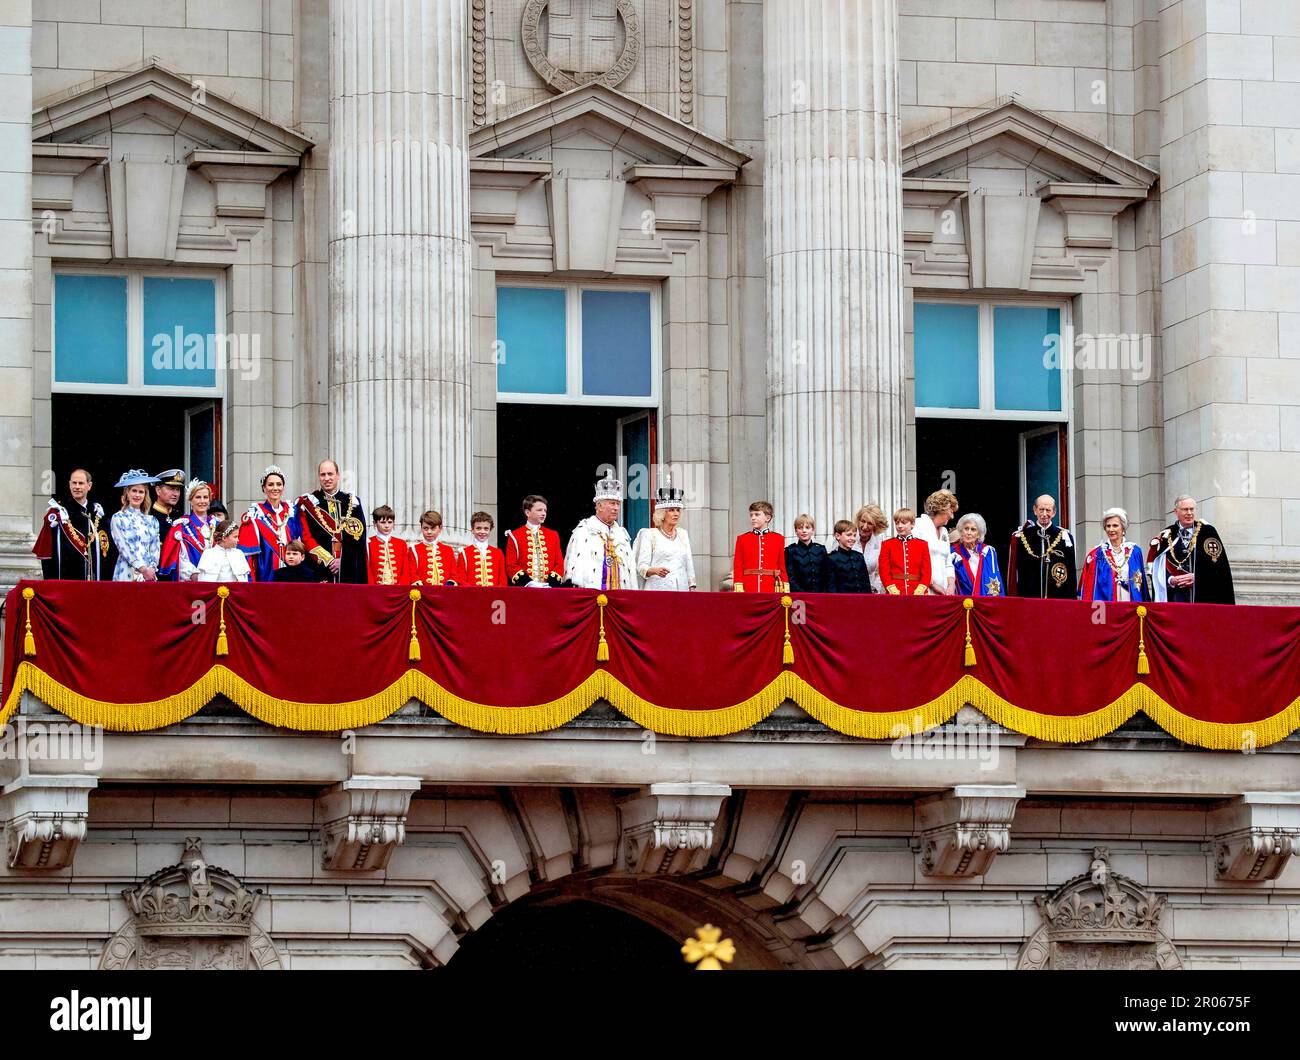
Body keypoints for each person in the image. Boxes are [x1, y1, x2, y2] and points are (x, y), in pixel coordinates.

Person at [1147, 496, 1235, 604]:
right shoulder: (1166, 534)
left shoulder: (1207, 532)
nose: (1189, 513)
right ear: (1176, 512)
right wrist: (1170, 580)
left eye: (1192, 509)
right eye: (1185, 509)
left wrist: (1197, 577)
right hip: (1175, 597)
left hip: (1202, 596)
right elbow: (1157, 567)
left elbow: (1219, 567)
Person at [297, 459, 367, 583]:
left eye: (330, 474)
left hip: (348, 569)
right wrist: (328, 560)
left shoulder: (353, 502)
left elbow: (359, 538)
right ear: (319, 477)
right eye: (323, 474)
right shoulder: (308, 503)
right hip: (319, 568)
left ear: (338, 475)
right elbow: (305, 537)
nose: (327, 478)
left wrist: (343, 561)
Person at [33, 468, 110, 580]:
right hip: (66, 578)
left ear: (89, 486)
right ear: (69, 485)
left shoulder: (97, 513)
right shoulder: (59, 513)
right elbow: (47, 553)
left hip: (93, 581)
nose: (77, 487)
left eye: (81, 483)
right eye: (74, 483)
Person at [565, 477, 638, 590]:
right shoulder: (585, 529)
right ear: (599, 506)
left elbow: (630, 571)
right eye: (612, 503)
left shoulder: (622, 534)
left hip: (619, 593)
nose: (616, 508)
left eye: (618, 504)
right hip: (592, 593)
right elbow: (575, 569)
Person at [239, 465, 302, 581]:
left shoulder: (292, 512)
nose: (275, 488)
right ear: (264, 488)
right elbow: (248, 556)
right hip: (266, 573)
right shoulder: (255, 514)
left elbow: (299, 543)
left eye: (279, 484)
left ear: (283, 487)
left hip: (291, 575)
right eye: (270, 484)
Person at [1009, 494, 1077, 599]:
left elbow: (1071, 572)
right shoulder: (1022, 537)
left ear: (1054, 512)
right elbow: (1016, 573)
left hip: (1057, 599)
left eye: (1048, 510)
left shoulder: (1065, 537)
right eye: (1041, 510)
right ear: (1035, 510)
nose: (1044, 514)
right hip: (1029, 600)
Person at [632, 487, 697, 592]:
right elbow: (641, 567)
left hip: (681, 590)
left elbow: (689, 565)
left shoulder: (683, 534)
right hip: (657, 591)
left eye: (678, 510)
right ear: (662, 513)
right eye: (671, 510)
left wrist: (692, 588)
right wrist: (654, 570)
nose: (676, 514)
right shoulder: (649, 535)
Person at [1078, 507, 1147, 603]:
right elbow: (1089, 588)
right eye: (1108, 526)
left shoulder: (1135, 551)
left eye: (1115, 525)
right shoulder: (1097, 554)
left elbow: (1141, 584)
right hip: (1106, 607)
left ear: (1123, 527)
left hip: (1130, 604)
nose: (1111, 529)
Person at [160, 480, 220, 581]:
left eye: (205, 497)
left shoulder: (218, 525)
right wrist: (194, 575)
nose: (202, 501)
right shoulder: (181, 527)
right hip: (191, 582)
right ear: (190, 500)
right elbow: (179, 559)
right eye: (198, 497)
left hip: (218, 580)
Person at [110, 470, 162, 582]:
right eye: (134, 491)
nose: (137, 495)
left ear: (145, 495)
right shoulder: (118, 518)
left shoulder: (152, 521)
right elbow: (123, 547)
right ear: (127, 493)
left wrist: (152, 568)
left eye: (141, 492)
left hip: (149, 575)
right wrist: (142, 568)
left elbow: (155, 548)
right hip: (126, 572)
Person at [506, 494, 565, 587]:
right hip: (524, 589)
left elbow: (559, 563)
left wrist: (551, 584)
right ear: (527, 513)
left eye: (545, 510)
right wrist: (528, 583)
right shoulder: (515, 536)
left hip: (548, 589)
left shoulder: (553, 535)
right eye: (539, 510)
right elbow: (511, 565)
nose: (543, 513)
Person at [732, 500, 788, 593]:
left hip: (771, 587)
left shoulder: (778, 539)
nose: (753, 518)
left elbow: (781, 565)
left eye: (757, 515)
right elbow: (738, 565)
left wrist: (784, 585)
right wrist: (738, 585)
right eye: (751, 515)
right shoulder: (742, 539)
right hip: (748, 587)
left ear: (768, 518)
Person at [878, 507, 931, 596]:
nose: (899, 526)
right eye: (897, 523)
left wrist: (921, 588)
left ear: (912, 524)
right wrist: (891, 587)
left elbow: (927, 571)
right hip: (895, 591)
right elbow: (884, 570)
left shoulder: (922, 545)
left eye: (904, 523)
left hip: (917, 591)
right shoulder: (887, 544)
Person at [950, 513, 1004, 597]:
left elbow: (996, 579)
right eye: (966, 529)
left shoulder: (988, 552)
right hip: (964, 603)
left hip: (985, 602)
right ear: (961, 531)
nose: (969, 532)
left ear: (979, 534)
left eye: (973, 529)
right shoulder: (953, 553)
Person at [915, 490, 957, 594]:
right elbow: (915, 561)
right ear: (943, 508)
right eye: (951, 511)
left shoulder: (944, 531)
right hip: (923, 589)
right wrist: (933, 585)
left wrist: (951, 586)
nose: (952, 516)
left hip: (944, 591)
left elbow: (948, 563)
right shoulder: (918, 525)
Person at [149, 469, 186, 581]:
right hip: (154, 574)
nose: (175, 494)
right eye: (170, 489)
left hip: (175, 574)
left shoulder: (179, 517)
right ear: (158, 490)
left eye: (177, 490)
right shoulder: (148, 516)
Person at [409, 510, 460, 586]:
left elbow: (454, 575)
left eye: (433, 528)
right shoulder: (414, 549)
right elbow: (412, 573)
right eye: (425, 528)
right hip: (423, 593)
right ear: (421, 528)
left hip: (444, 594)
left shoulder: (448, 550)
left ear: (440, 528)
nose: (429, 532)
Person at [458, 511, 507, 587]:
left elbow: (503, 580)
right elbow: (461, 579)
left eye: (486, 529)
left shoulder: (498, 553)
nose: (482, 532)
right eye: (478, 528)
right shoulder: (464, 553)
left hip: (494, 597)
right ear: (472, 530)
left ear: (490, 530)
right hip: (472, 596)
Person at [367, 505, 412, 586]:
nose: (387, 526)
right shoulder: (368, 543)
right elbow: (368, 571)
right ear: (374, 523)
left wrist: (401, 588)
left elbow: (405, 571)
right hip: (375, 591)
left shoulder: (401, 544)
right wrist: (372, 590)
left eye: (390, 522)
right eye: (383, 522)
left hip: (397, 591)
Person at [195, 519, 251, 583]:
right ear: (224, 538)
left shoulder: (239, 554)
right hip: (214, 592)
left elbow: (244, 580)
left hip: (234, 591)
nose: (238, 540)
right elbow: (202, 580)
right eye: (235, 537)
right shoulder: (209, 554)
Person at [826, 520, 873, 594]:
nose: (853, 538)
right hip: (842, 602)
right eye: (849, 535)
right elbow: (831, 586)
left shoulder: (859, 556)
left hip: (861, 601)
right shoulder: (831, 558)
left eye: (854, 535)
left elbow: (866, 583)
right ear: (838, 536)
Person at [785, 514, 828, 594]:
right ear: (796, 531)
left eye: (807, 528)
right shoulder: (790, 550)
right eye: (800, 528)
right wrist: (802, 594)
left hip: (820, 595)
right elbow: (791, 577)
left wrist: (823, 593)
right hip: (799, 596)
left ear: (813, 530)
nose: (804, 531)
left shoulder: (821, 549)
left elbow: (826, 575)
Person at [853, 504, 889, 594]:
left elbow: (882, 571)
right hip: (850, 591)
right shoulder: (848, 538)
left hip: (873, 591)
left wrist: (875, 588)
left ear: (876, 526)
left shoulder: (881, 542)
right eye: (863, 521)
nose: (865, 527)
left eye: (869, 523)